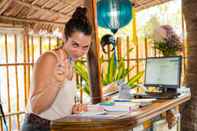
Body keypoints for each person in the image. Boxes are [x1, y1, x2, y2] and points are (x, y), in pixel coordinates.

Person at [22, 7, 92, 131]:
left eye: (85, 47)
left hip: (58, 127)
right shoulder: (50, 58)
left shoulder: (70, 62)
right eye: (75, 45)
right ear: (64, 38)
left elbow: (56, 105)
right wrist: (56, 82)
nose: (79, 52)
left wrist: (72, 109)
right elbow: (36, 107)